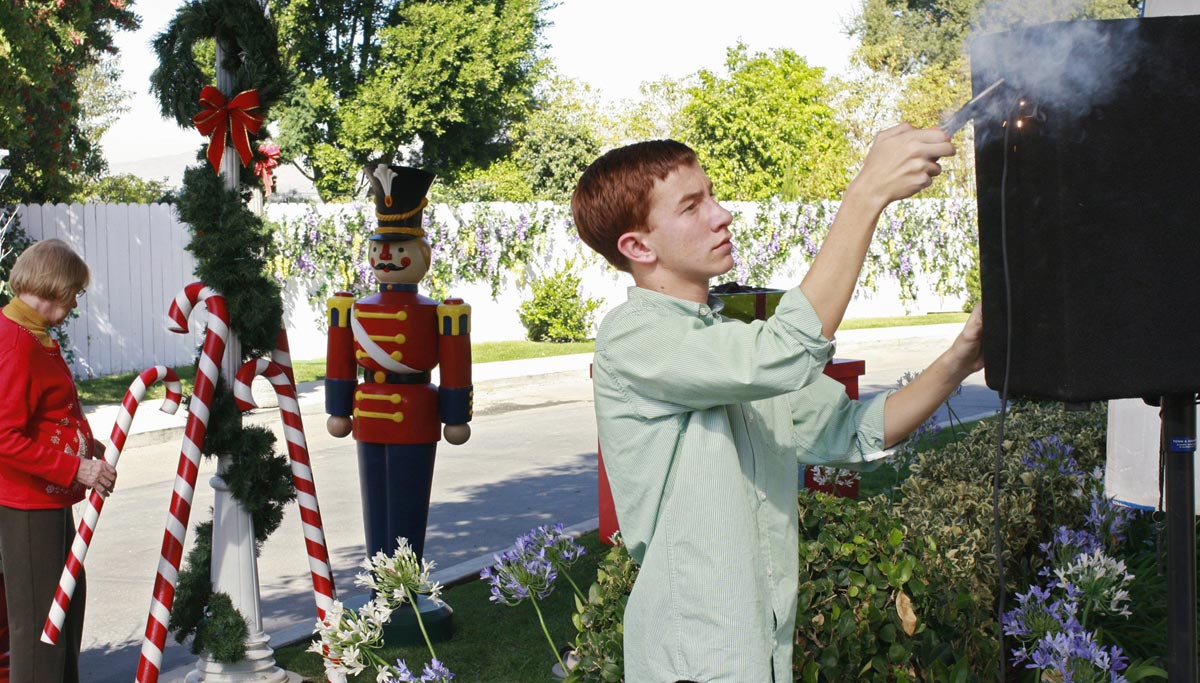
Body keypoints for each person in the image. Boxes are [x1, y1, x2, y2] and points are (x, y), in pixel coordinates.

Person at [572, 125, 983, 683]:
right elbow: (789, 351)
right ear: (638, 247)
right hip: (692, 662)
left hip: (761, 655)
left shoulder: (731, 339)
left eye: (712, 195)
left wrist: (961, 357)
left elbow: (856, 431)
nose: (721, 215)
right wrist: (865, 195)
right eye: (693, 206)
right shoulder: (634, 336)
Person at [0, 238, 116, 683]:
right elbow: (5, 437)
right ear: (55, 286)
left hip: (48, 503)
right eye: (74, 293)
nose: (74, 304)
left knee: (64, 613)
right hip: (26, 506)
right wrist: (77, 468)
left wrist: (91, 451)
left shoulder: (32, 335)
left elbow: (47, 417)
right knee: (40, 633)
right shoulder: (15, 343)